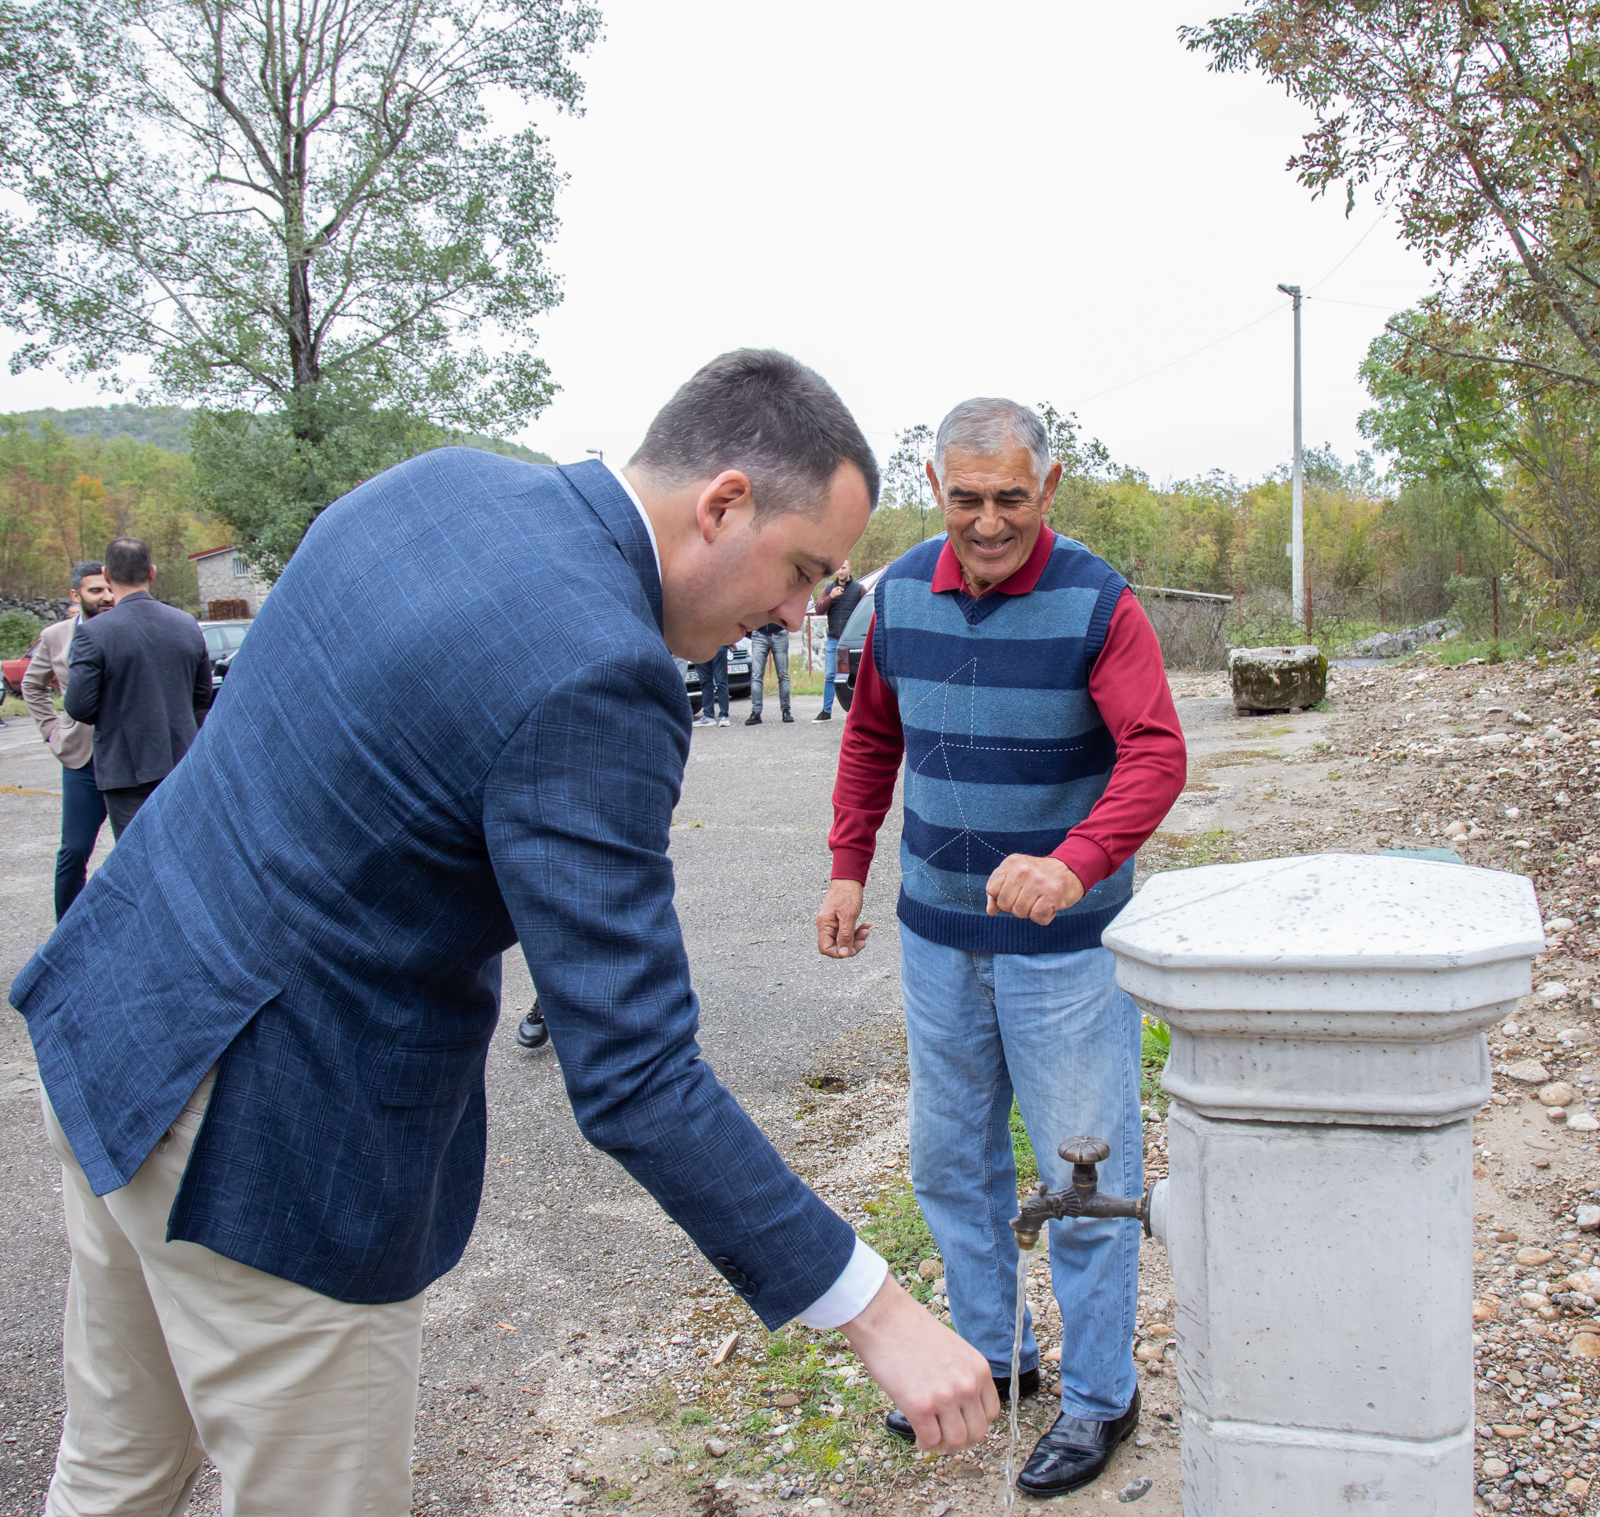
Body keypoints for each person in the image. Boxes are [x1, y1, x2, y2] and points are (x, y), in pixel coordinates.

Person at [12, 351, 998, 1517]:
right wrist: (874, 1308)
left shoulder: (437, 481)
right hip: (269, 1147)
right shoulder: (604, 673)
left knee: (112, 1470)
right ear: (723, 502)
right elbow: (633, 1071)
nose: (797, 613)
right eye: (802, 571)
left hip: (116, 1016)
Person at [814, 397, 1186, 1499]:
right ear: (935, 487)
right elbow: (872, 737)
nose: (987, 522)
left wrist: (1075, 860)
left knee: (1082, 1172)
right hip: (936, 941)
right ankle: (991, 1355)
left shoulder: (1097, 602)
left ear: (1048, 487)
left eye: (1011, 498)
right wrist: (847, 865)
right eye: (966, 498)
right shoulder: (896, 597)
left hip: (1064, 950)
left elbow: (1156, 752)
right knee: (950, 1160)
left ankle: (1100, 1395)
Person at [63, 536, 212, 838]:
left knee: (139, 853)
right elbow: (201, 695)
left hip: (125, 765)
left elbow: (78, 706)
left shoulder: (93, 632)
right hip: (182, 757)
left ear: (106, 575)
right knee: (184, 847)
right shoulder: (186, 623)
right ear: (152, 572)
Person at [22, 561, 116, 918]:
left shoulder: (123, 626)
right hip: (81, 759)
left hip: (127, 755)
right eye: (96, 590)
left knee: (135, 847)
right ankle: (66, 933)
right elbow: (32, 685)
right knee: (73, 851)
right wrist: (51, 730)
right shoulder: (55, 636)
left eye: (109, 588)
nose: (106, 596)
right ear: (76, 595)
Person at [811, 558, 863, 721]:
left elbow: (867, 610)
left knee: (856, 677)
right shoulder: (828, 589)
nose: (841, 571)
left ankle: (858, 713)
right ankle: (826, 711)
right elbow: (818, 610)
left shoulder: (859, 589)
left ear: (850, 569)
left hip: (851, 642)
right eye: (839, 569)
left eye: (844, 568)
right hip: (833, 640)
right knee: (830, 676)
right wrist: (830, 597)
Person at [745, 620, 792, 724]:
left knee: (782, 675)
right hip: (759, 632)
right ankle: (756, 712)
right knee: (756, 676)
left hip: (779, 631)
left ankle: (786, 711)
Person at [691, 643, 731, 726]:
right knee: (709, 682)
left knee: (718, 682)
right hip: (700, 646)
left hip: (712, 644)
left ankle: (720, 715)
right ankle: (712, 716)